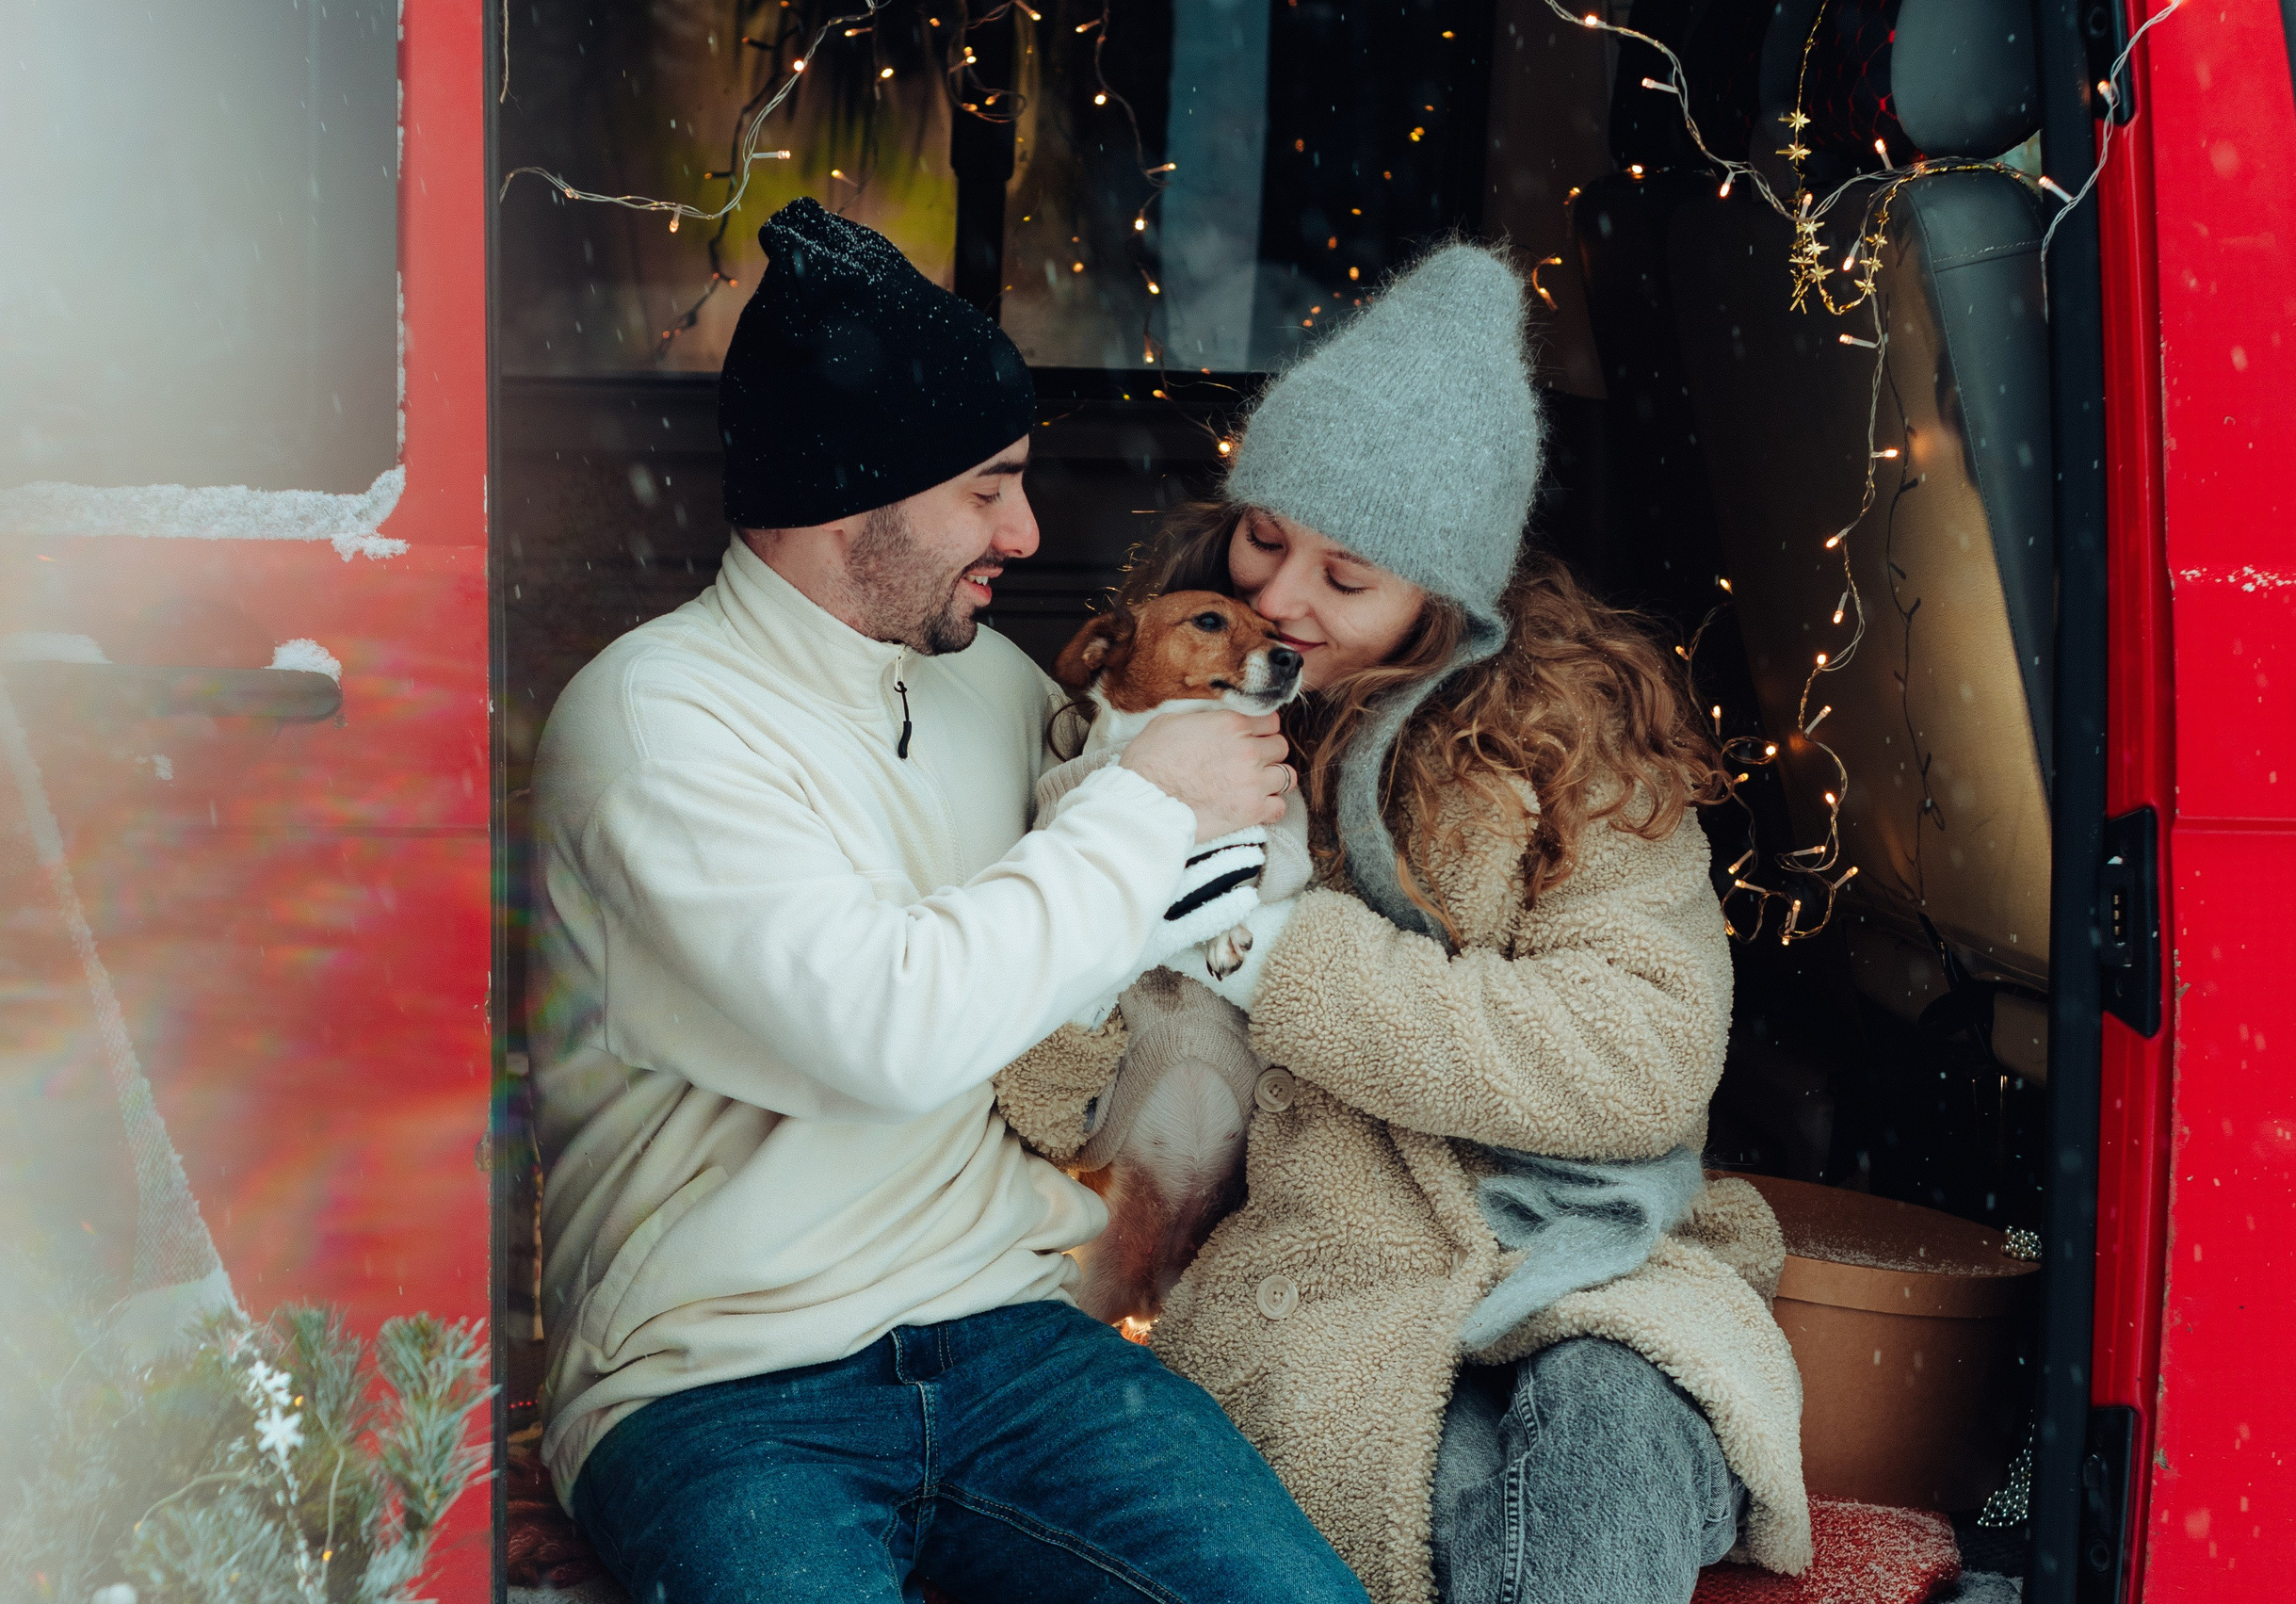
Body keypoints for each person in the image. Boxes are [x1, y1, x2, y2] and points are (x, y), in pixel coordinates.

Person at [527, 198, 1367, 1604]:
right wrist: (1152, 801)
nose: (1027, 530)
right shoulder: (655, 726)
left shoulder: (985, 685)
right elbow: (895, 1030)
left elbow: (1105, 933)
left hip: (1012, 1339)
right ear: (852, 492)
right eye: (987, 486)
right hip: (723, 1386)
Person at [997, 245, 1813, 1603]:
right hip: (1305, 1294)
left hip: (1576, 1258)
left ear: (1449, 594)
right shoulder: (1141, 716)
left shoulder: (1573, 749)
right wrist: (1108, 877)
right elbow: (1040, 1099)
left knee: (1610, 1441)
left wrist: (1275, 951)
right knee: (1441, 1510)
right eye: (1265, 537)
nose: (1281, 602)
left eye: (1347, 574)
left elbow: (1643, 1055)